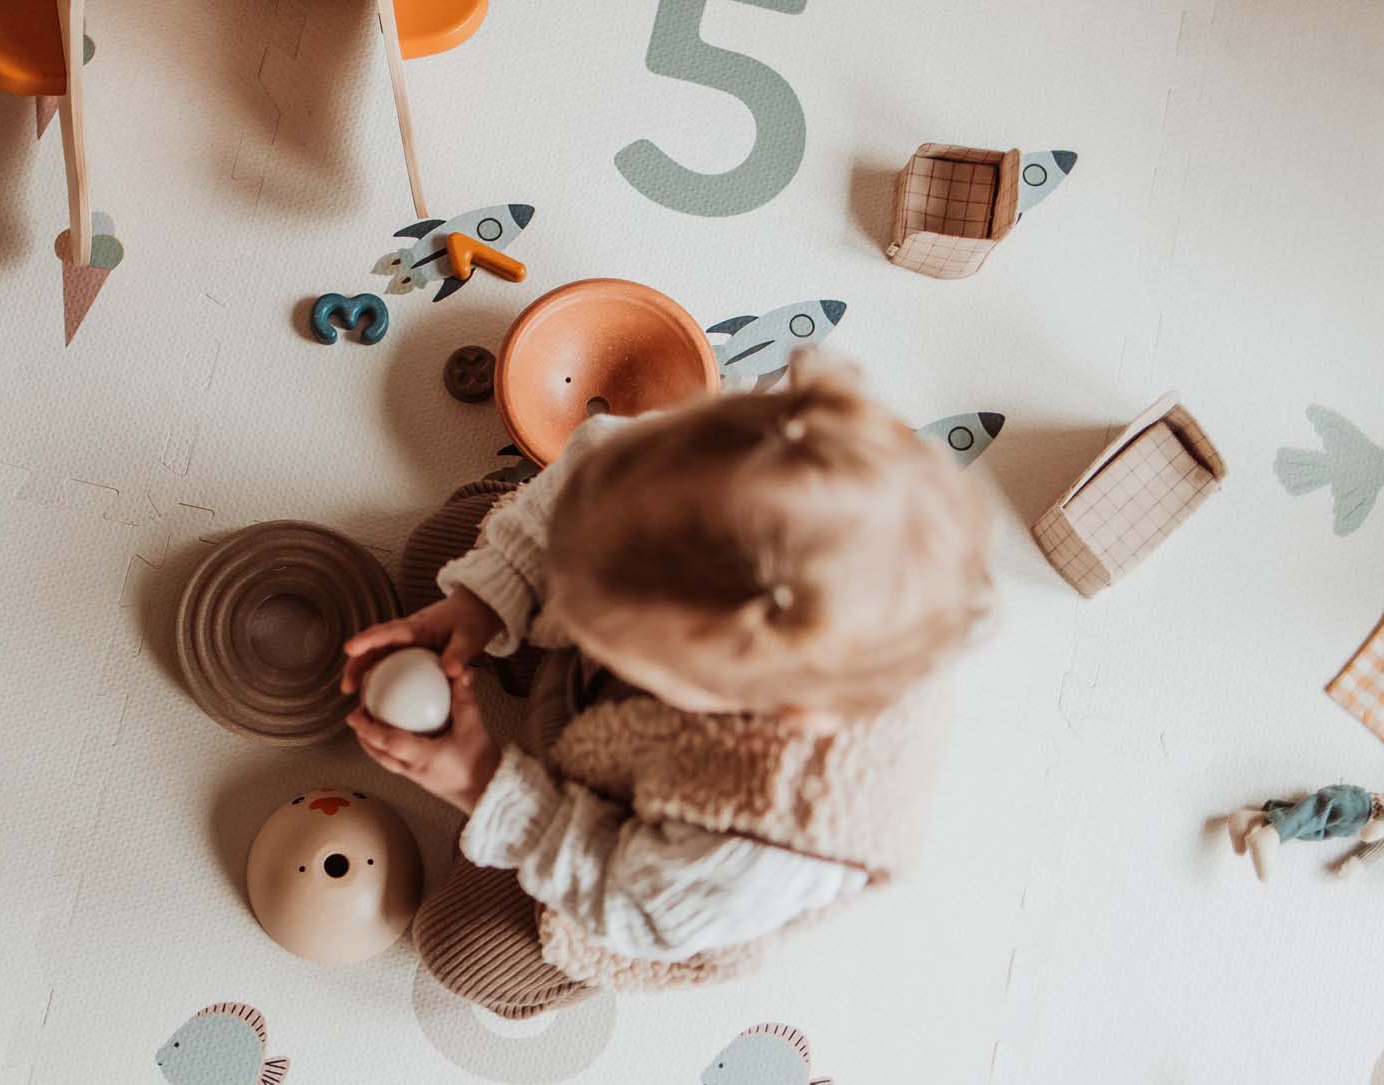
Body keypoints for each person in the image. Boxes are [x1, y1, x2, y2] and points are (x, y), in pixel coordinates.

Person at [342, 358, 993, 1015]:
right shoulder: (724, 467)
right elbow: (595, 463)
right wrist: (487, 601)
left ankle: (533, 880)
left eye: (612, 635)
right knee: (442, 545)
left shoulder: (774, 832)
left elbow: (633, 901)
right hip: (598, 695)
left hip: (630, 856)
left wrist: (483, 786)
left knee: (464, 951)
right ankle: (530, 636)